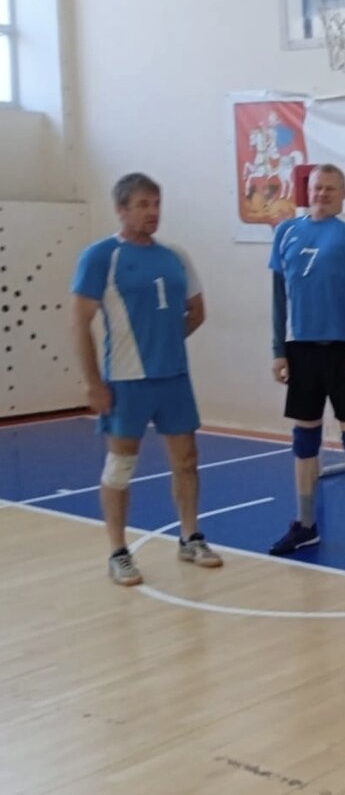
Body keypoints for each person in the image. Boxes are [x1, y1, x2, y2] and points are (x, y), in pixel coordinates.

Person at [70, 172, 222, 585]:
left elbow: (197, 312)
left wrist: (165, 343)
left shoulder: (175, 256)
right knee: (121, 465)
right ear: (121, 209)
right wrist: (93, 383)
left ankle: (190, 537)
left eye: (156, 204)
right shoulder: (101, 256)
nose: (152, 212)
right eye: (143, 205)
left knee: (187, 460)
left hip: (174, 378)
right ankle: (118, 552)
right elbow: (79, 323)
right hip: (126, 380)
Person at [267, 164, 345, 561]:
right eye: (317, 188)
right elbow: (278, 296)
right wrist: (278, 350)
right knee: (304, 439)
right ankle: (305, 525)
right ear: (308, 190)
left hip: (344, 351)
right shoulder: (286, 231)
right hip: (301, 350)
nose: (322, 194)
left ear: (343, 193)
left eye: (330, 188)